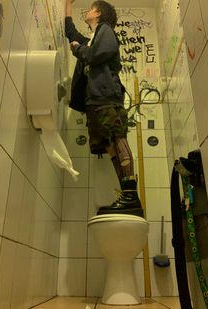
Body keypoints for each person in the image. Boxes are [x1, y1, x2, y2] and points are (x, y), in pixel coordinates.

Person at [64, 0, 143, 216]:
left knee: (117, 139)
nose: (87, 12)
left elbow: (96, 55)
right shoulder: (92, 39)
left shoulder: (105, 31)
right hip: (95, 102)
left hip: (107, 97)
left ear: (98, 13)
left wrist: (78, 49)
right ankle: (127, 197)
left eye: (90, 8)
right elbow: (71, 34)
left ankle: (131, 195)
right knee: (110, 146)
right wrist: (66, 6)